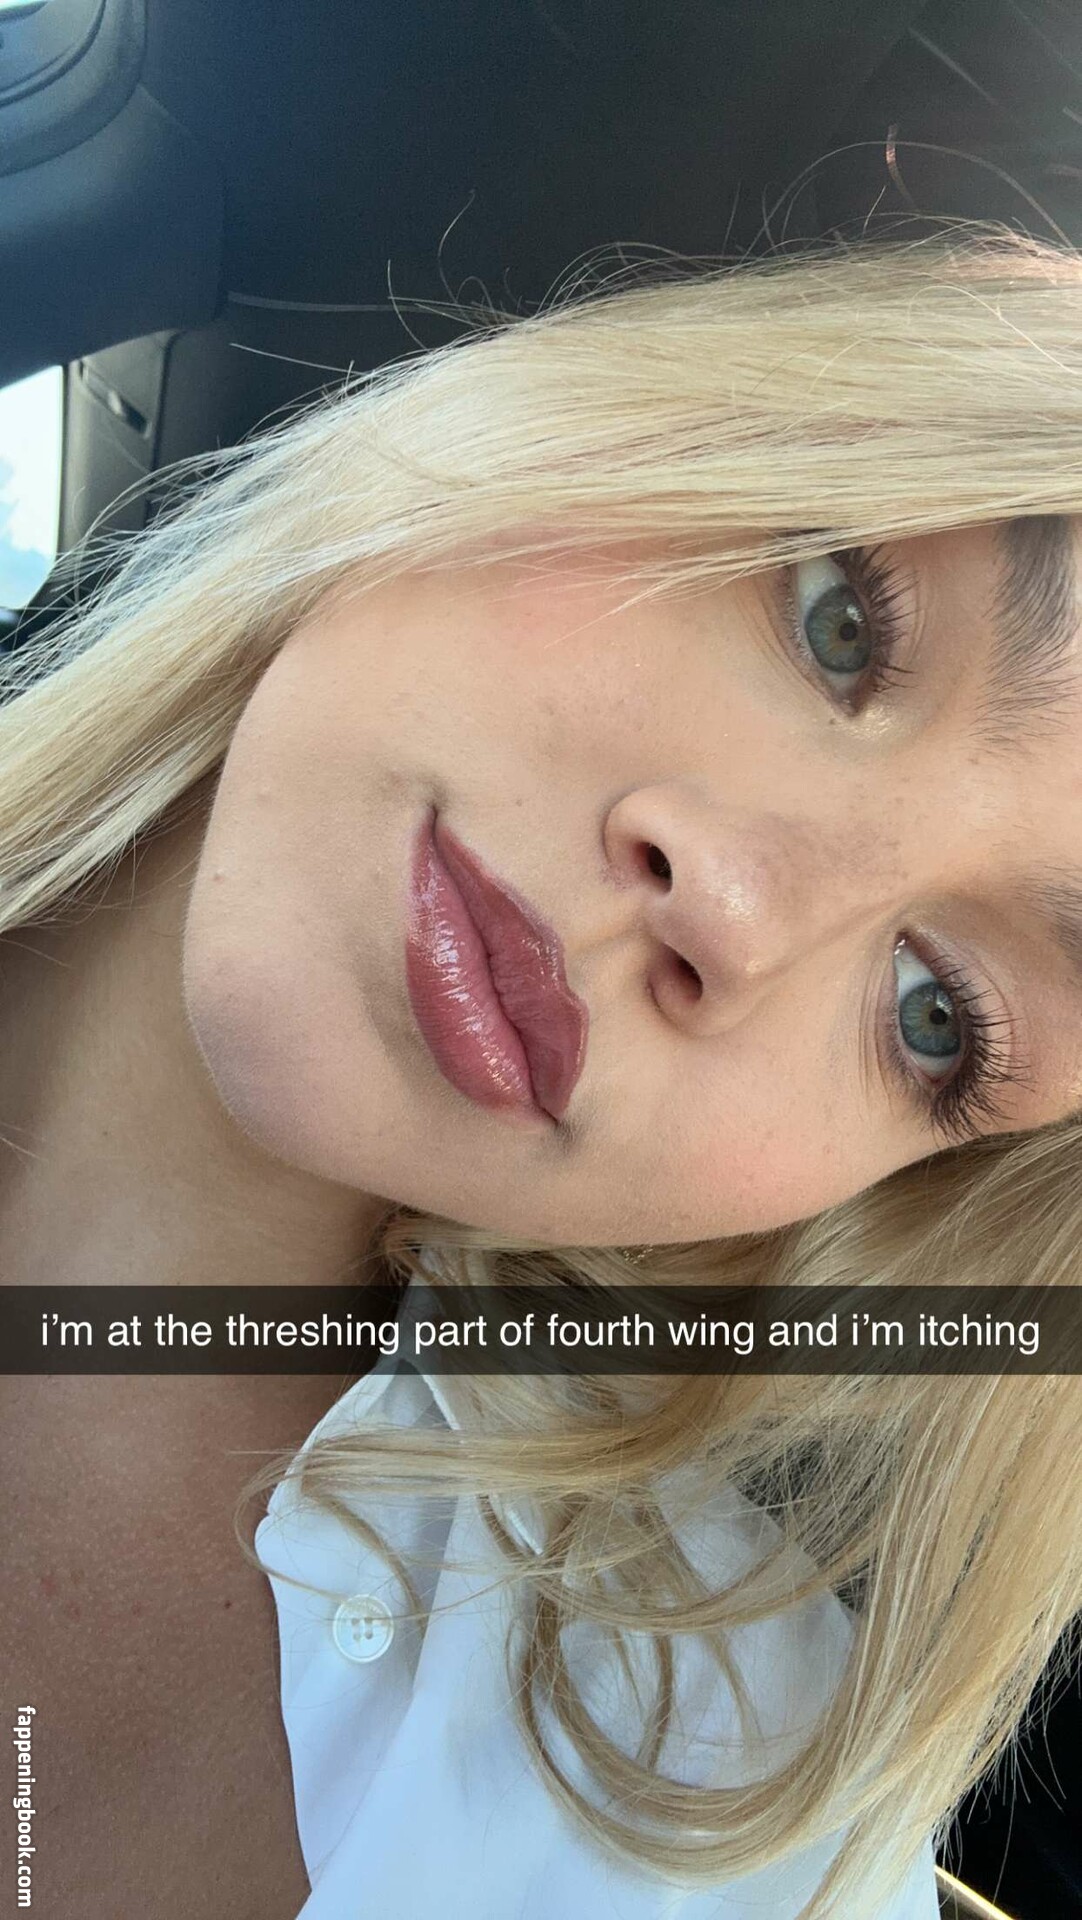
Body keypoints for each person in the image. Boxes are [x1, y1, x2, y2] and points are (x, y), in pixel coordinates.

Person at [3, 215, 1081, 1920]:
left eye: (933, 1014)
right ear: (624, 410)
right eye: (837, 619)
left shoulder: (731, 1823)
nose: (739, 905)